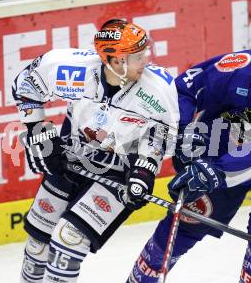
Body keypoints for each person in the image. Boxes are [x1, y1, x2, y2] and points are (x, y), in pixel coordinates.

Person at [127, 21, 251, 282]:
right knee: (184, 223)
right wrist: (185, 132)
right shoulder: (240, 66)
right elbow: (186, 89)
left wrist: (215, 171)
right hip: (224, 151)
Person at [12, 19, 179, 283]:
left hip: (118, 171)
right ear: (113, 60)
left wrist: (145, 170)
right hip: (69, 159)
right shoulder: (69, 68)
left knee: (68, 240)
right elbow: (26, 85)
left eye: (143, 53)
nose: (144, 61)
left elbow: (160, 135)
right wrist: (38, 133)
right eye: (135, 57)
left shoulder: (158, 88)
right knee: (38, 245)